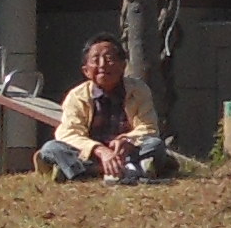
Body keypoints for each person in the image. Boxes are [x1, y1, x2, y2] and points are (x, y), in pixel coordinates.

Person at [38, 35, 173, 182]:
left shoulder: (139, 90)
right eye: (95, 61)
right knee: (51, 148)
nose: (102, 65)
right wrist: (100, 151)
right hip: (92, 155)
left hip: (126, 151)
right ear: (86, 71)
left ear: (123, 65)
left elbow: (149, 128)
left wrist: (127, 141)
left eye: (109, 59)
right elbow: (69, 133)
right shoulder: (77, 96)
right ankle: (125, 168)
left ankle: (78, 170)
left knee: (155, 144)